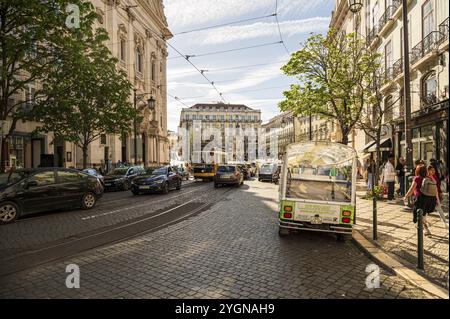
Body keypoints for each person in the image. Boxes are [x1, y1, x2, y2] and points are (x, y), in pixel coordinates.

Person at [404, 165, 437, 236]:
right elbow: (435, 184)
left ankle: (426, 229)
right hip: (430, 199)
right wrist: (436, 199)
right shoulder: (428, 177)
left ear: (417, 170)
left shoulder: (417, 178)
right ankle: (422, 226)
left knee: (418, 214)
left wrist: (406, 196)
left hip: (421, 198)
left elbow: (412, 189)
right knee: (423, 214)